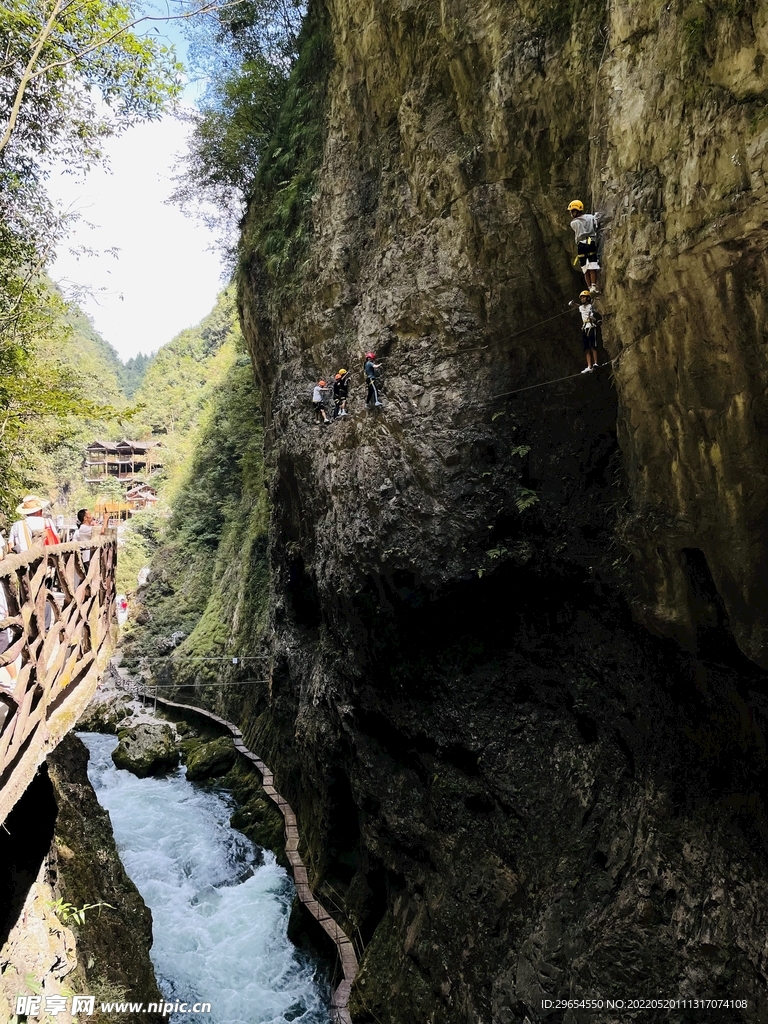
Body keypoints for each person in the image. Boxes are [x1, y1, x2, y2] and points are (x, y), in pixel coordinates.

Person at [567, 199, 601, 294]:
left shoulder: (573, 223)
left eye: (572, 211)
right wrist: (595, 217)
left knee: (585, 268)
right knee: (592, 265)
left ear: (576, 210)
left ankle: (590, 287)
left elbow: (581, 226)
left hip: (582, 245)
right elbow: (595, 223)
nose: (571, 213)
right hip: (591, 243)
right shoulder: (590, 217)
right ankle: (593, 287)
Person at [577, 289, 602, 372]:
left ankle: (595, 363)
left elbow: (596, 315)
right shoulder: (581, 307)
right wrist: (572, 304)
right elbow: (577, 306)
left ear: (588, 298)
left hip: (591, 326)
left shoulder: (591, 306)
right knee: (586, 348)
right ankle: (589, 366)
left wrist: (594, 318)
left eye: (584, 297)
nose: (582, 299)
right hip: (584, 327)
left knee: (593, 346)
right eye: (581, 298)